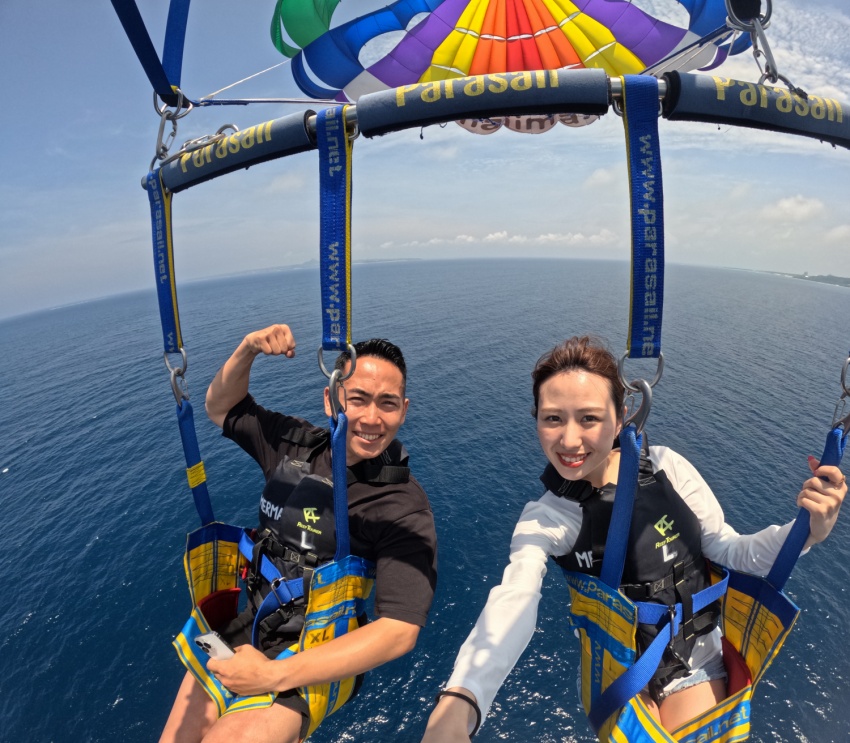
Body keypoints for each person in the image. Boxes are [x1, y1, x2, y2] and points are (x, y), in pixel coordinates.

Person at [422, 335, 846, 742]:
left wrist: (807, 531)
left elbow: (729, 550)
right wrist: (462, 698)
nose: (570, 440)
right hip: (617, 676)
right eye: (553, 418)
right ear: (535, 418)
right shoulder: (548, 517)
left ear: (620, 415)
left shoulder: (666, 468)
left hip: (694, 661)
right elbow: (513, 600)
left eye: (589, 418)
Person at [159, 323, 438, 743]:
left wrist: (273, 674)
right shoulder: (295, 445)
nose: (372, 418)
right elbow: (221, 406)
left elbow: (399, 629)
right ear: (331, 399)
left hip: (313, 656)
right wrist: (248, 347)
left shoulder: (401, 505)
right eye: (358, 399)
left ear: (404, 410)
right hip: (243, 627)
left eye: (388, 404)